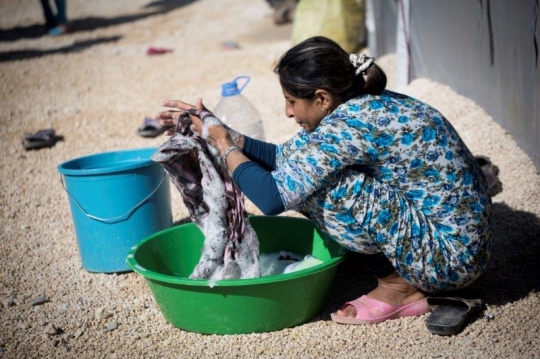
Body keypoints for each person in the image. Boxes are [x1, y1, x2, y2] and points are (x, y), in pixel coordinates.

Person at [156, 36, 492, 325]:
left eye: (291, 101)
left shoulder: (349, 126)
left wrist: (223, 145)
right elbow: (286, 157)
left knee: (330, 187)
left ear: (321, 98)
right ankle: (393, 266)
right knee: (308, 176)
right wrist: (220, 131)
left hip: (450, 261)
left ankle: (397, 286)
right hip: (448, 235)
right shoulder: (356, 104)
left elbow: (273, 197)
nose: (288, 113)